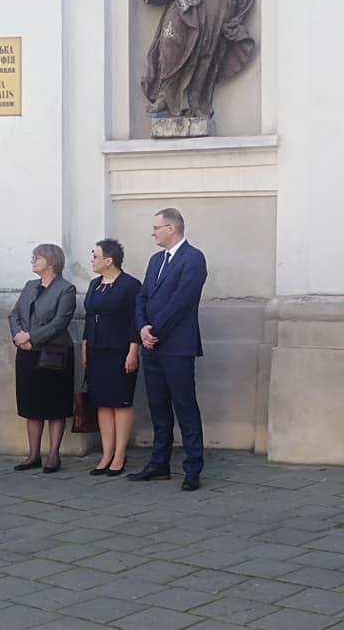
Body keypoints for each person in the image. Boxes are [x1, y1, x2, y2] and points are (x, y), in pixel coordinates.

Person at [130, 208, 207, 491]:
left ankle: (193, 468)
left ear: (171, 229)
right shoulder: (155, 261)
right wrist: (142, 329)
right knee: (158, 407)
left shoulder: (193, 258)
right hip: (152, 346)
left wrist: (154, 331)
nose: (153, 232)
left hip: (176, 347)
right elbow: (142, 297)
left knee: (185, 406)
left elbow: (182, 301)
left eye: (156, 227)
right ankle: (159, 463)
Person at [9, 244, 77, 473]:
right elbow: (15, 314)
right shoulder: (30, 286)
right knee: (31, 404)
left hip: (53, 354)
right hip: (27, 353)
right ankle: (33, 454)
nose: (33, 261)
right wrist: (19, 337)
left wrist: (31, 336)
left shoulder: (66, 289)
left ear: (51, 262)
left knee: (54, 404)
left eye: (37, 258)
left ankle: (53, 455)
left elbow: (60, 322)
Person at [82, 239, 142, 477]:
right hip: (97, 350)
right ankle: (106, 454)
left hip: (119, 351)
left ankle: (119, 454)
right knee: (102, 402)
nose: (92, 260)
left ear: (109, 260)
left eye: (95, 256)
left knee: (120, 402)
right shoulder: (95, 284)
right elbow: (89, 317)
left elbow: (135, 319)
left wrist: (133, 350)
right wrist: (85, 345)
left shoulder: (130, 285)